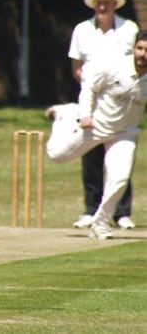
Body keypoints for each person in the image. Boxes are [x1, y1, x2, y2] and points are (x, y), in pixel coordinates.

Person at [46, 30, 147, 239]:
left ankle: (100, 224)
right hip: (95, 125)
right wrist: (84, 115)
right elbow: (89, 88)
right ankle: (66, 113)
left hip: (124, 132)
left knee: (119, 178)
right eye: (140, 48)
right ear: (134, 48)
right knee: (56, 155)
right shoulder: (114, 66)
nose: (143, 54)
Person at [67, 0, 139, 230]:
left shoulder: (129, 29)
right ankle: (90, 209)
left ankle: (122, 213)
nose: (102, 6)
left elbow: (136, 66)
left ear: (114, 4)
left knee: (119, 156)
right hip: (92, 99)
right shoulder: (82, 30)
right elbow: (76, 68)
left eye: (107, 2)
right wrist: (94, 89)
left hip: (121, 101)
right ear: (94, 4)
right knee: (91, 155)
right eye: (99, 2)